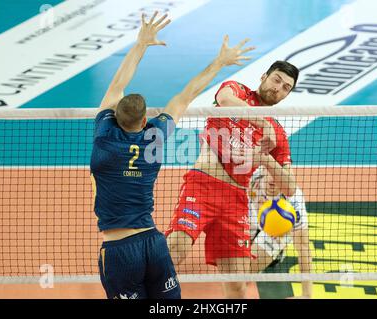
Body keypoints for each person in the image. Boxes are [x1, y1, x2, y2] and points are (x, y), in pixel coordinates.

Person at [90, 11, 254, 299]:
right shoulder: (155, 136)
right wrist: (220, 61)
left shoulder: (104, 137)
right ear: (144, 122)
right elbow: (187, 94)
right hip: (153, 244)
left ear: (114, 116)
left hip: (119, 251)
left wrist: (141, 43)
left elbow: (117, 84)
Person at [166, 60, 300, 298]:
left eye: (286, 87)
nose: (278, 88)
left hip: (236, 200)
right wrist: (262, 123)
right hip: (203, 185)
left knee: (238, 284)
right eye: (276, 80)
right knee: (175, 248)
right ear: (263, 77)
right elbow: (225, 99)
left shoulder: (279, 133)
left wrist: (264, 159)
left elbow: (289, 187)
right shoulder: (237, 90)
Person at [248, 167, 313, 299]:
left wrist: (307, 294)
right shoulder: (252, 175)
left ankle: (276, 251)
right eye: (270, 172)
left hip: (276, 231)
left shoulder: (294, 200)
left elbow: (304, 248)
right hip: (247, 221)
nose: (273, 180)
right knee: (229, 272)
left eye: (279, 176)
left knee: (242, 274)